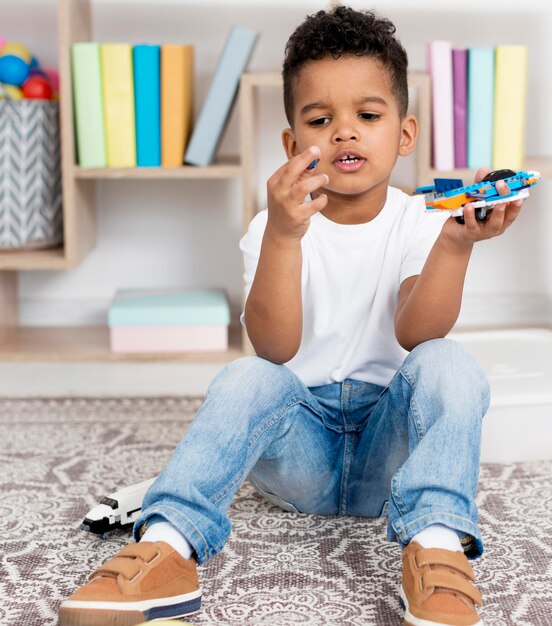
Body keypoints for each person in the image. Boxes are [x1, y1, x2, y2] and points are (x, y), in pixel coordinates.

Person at [59, 6, 524, 626]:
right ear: (291, 143)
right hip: (298, 454)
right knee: (246, 375)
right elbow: (274, 347)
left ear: (405, 134)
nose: (344, 133)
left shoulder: (424, 221)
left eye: (368, 115)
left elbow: (418, 333)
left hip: (388, 455)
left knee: (450, 363)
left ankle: (436, 548)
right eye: (320, 119)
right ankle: (166, 548)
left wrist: (456, 244)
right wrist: (283, 234)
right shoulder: (272, 226)